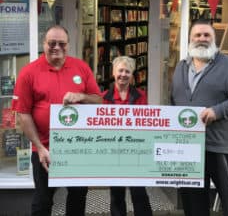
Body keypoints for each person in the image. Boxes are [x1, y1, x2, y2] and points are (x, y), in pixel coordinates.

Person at [12, 25, 102, 216]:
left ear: (68, 45)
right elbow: (23, 113)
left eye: (61, 43)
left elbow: (98, 99)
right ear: (43, 44)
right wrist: (39, 147)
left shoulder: (81, 67)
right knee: (42, 203)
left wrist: (81, 96)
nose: (56, 47)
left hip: (77, 149)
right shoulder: (29, 73)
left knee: (78, 199)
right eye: (51, 43)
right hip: (45, 150)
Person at [170, 19, 228, 216]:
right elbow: (174, 102)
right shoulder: (180, 67)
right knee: (193, 205)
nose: (202, 39)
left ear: (215, 40)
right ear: (190, 39)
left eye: (207, 35)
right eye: (197, 35)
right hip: (189, 148)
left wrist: (217, 111)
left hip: (220, 146)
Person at [102, 56, 152, 216]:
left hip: (135, 151)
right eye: (120, 70)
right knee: (116, 194)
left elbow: (145, 121)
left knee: (139, 192)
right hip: (113, 151)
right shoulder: (103, 97)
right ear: (113, 72)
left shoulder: (141, 95)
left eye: (127, 71)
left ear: (132, 74)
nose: (123, 74)